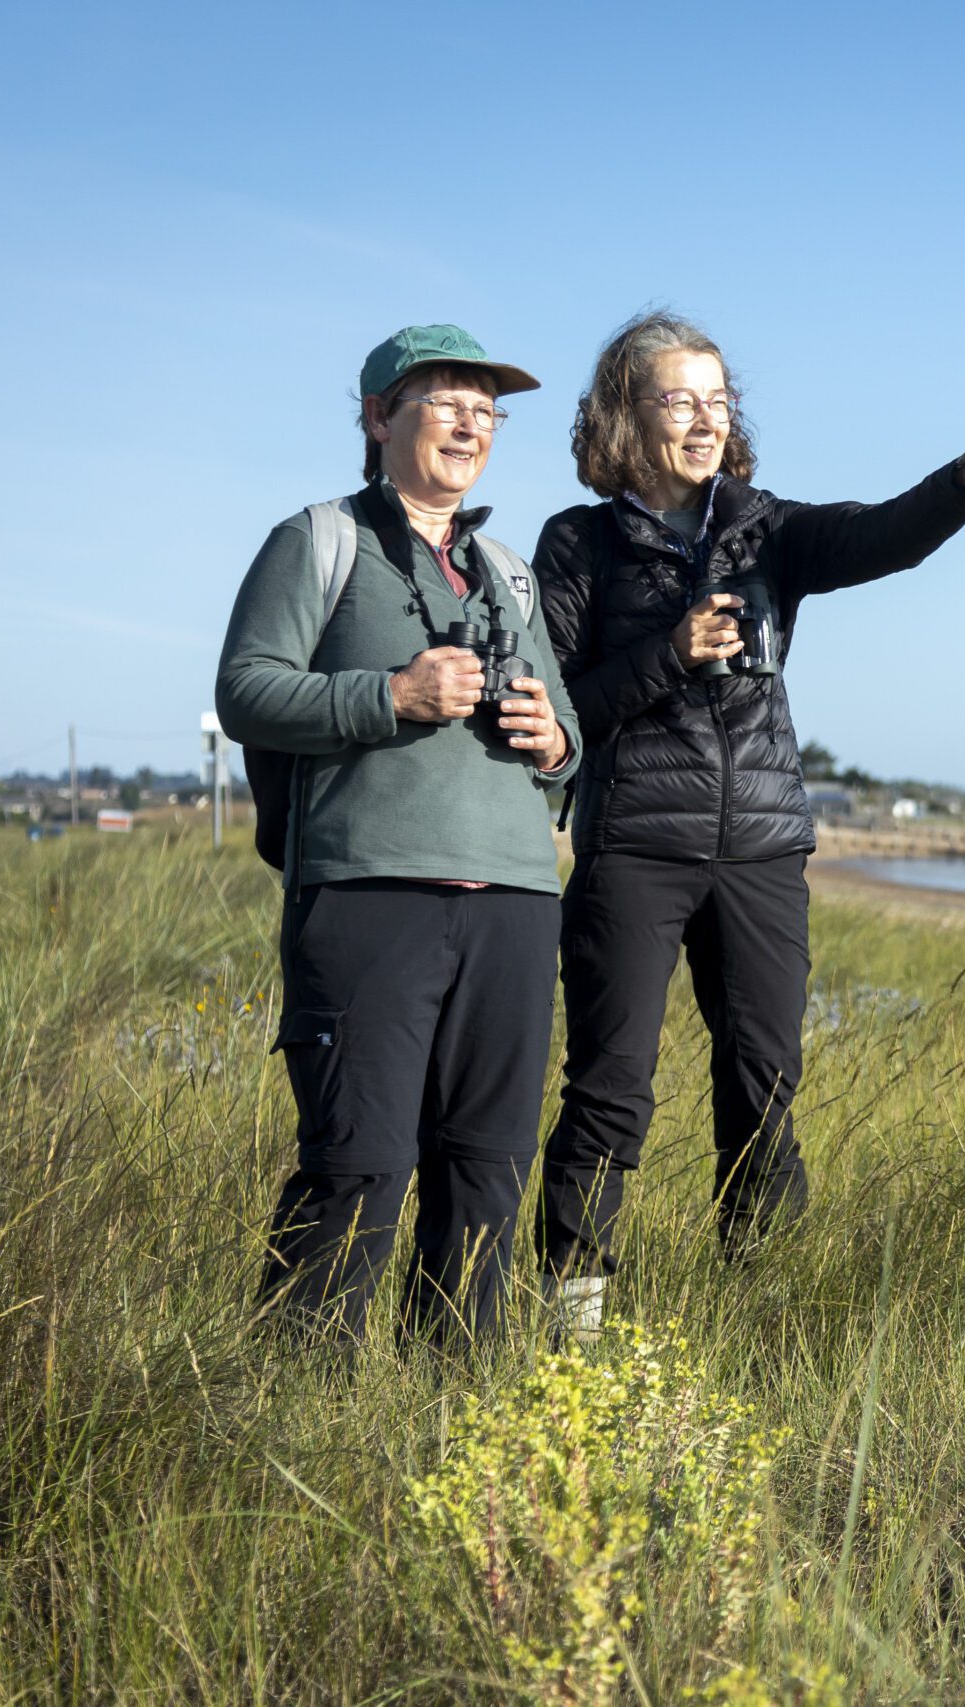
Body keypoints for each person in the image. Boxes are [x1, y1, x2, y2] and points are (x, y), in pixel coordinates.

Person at [533, 309, 965, 1325]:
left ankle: (757, 1298)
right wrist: (669, 653)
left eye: (718, 400)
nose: (705, 418)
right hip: (635, 847)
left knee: (763, 1088)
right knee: (610, 1088)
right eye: (679, 400)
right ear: (624, 416)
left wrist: (964, 486)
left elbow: (877, 535)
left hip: (763, 848)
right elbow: (563, 714)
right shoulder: (576, 545)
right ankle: (570, 1315)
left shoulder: (766, 529)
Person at [215, 324, 581, 1345]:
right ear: (379, 420)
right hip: (369, 892)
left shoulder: (508, 571)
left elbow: (571, 742)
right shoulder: (317, 540)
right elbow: (246, 689)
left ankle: (450, 1420)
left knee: (490, 1171)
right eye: (443, 403)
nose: (470, 423)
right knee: (356, 1166)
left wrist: (552, 738)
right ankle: (291, 1412)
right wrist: (393, 694)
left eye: (486, 410)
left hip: (513, 899)